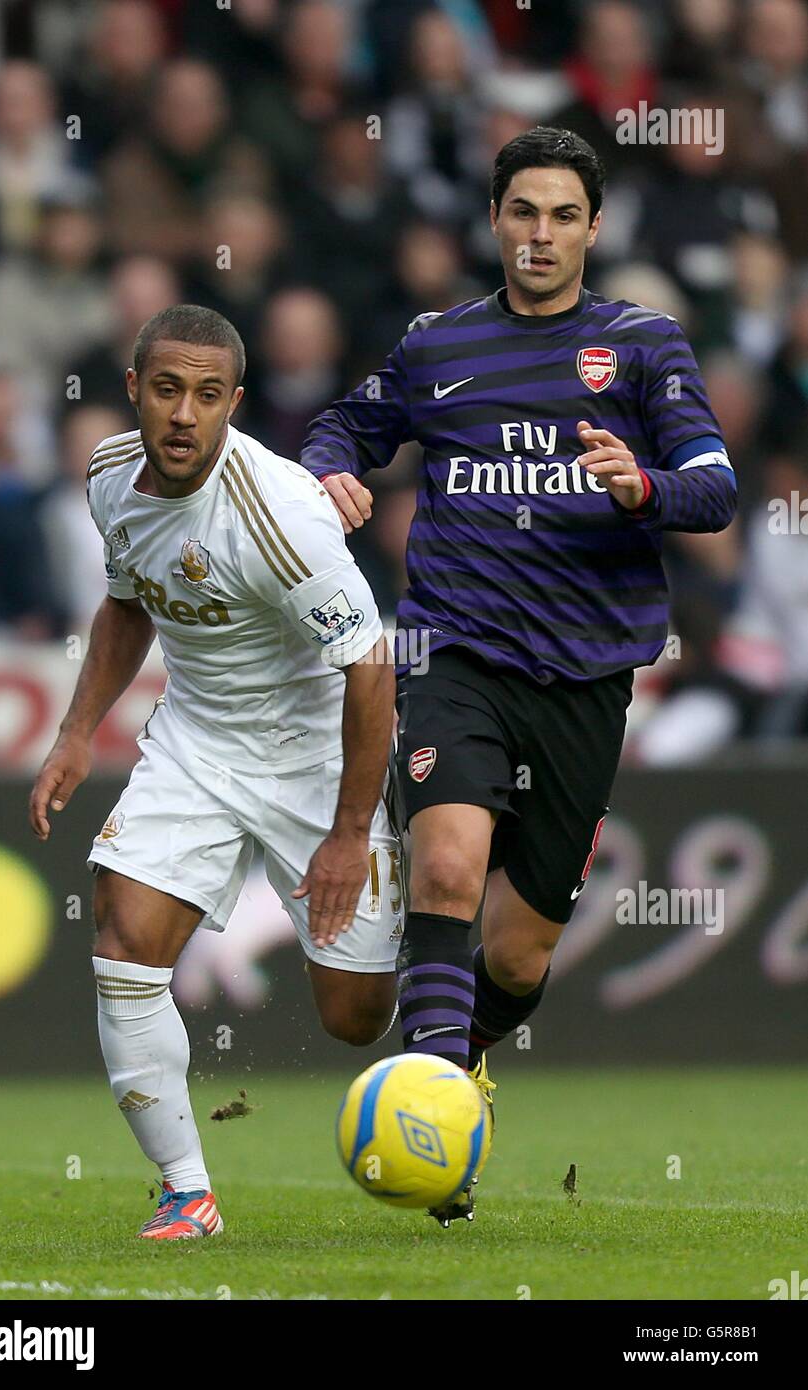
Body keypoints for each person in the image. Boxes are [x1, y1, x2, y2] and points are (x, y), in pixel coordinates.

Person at [300, 126, 737, 1224]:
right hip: (454, 654)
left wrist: (641, 488)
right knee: (447, 870)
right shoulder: (437, 345)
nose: (538, 234)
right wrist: (330, 475)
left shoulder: (641, 346)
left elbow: (716, 484)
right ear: (493, 221)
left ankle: (456, 1066)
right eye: (521, 212)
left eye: (561, 215)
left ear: (592, 228)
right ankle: (435, 1142)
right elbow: (345, 424)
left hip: (587, 673)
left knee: (519, 945)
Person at [29, 304, 401, 1240]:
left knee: (356, 1017)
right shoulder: (110, 476)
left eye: (206, 395)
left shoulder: (282, 516)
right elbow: (127, 603)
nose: (184, 415)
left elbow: (371, 667)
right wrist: (78, 732)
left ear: (234, 402)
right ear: (134, 393)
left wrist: (349, 834)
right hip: (194, 743)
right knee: (122, 945)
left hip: (313, 756)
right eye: (166, 390)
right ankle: (186, 1191)